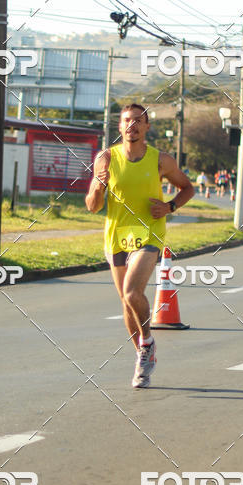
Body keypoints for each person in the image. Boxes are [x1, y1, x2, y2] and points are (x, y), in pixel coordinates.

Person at [85, 103, 194, 388]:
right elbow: (92, 206)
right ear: (119, 126)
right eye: (126, 120)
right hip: (116, 236)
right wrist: (98, 187)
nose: (131, 125)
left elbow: (188, 188)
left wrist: (169, 206)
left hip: (149, 234)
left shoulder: (161, 161)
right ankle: (143, 355)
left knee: (133, 292)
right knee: (126, 301)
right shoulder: (106, 159)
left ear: (146, 127)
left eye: (137, 121)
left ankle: (147, 342)